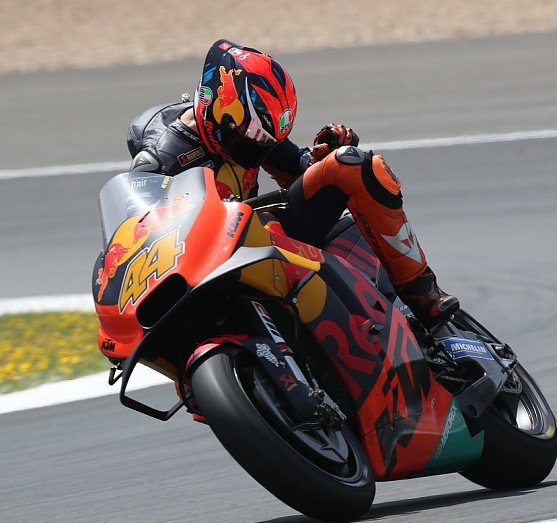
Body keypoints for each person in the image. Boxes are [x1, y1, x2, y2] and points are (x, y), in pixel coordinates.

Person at [126, 39, 458, 329]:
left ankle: (421, 291)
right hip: (202, 274)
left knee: (352, 163)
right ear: (215, 111)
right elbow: (134, 244)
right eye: (251, 141)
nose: (258, 152)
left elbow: (297, 171)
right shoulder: (161, 159)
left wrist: (323, 156)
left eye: (267, 142)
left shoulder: (249, 130)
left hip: (259, 243)